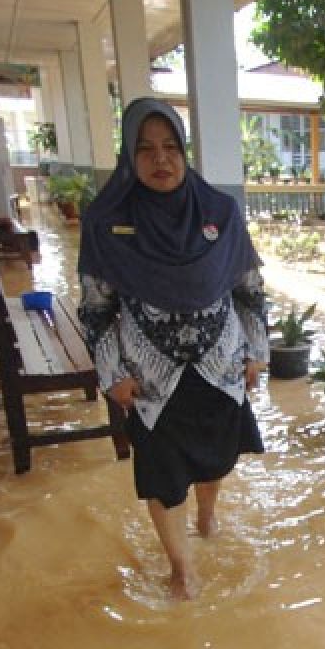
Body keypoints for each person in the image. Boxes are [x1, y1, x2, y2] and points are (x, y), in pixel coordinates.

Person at [78, 98, 268, 600]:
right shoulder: (106, 224)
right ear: (128, 156)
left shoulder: (220, 213)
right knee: (163, 475)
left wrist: (256, 353)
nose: (160, 160)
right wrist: (111, 375)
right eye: (145, 149)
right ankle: (181, 569)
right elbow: (96, 310)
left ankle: (207, 520)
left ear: (185, 152)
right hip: (150, 379)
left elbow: (249, 290)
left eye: (170, 148)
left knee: (215, 458)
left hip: (219, 368)